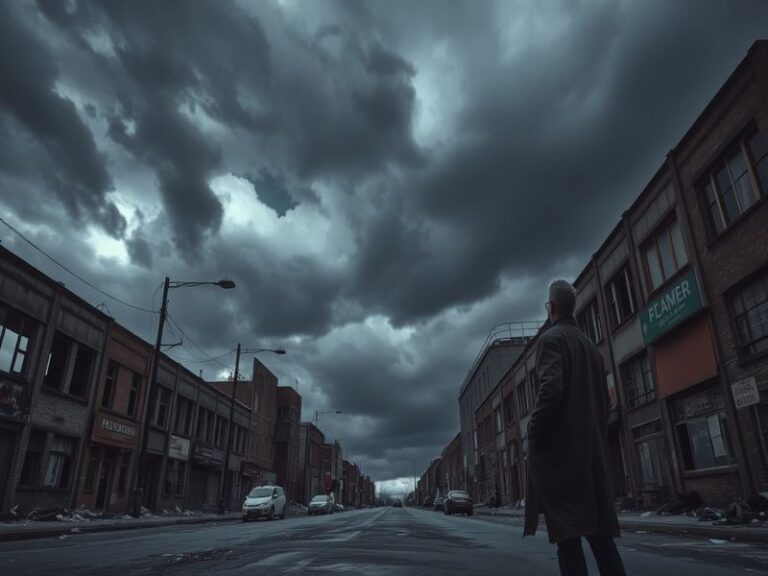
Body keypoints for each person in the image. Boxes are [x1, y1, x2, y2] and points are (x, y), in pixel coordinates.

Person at [523, 280, 627, 576]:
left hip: (563, 463)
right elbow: (604, 404)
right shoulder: (592, 350)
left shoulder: (551, 340)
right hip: (591, 461)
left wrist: (535, 434)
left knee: (568, 540)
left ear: (551, 308)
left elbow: (550, 390)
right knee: (600, 537)